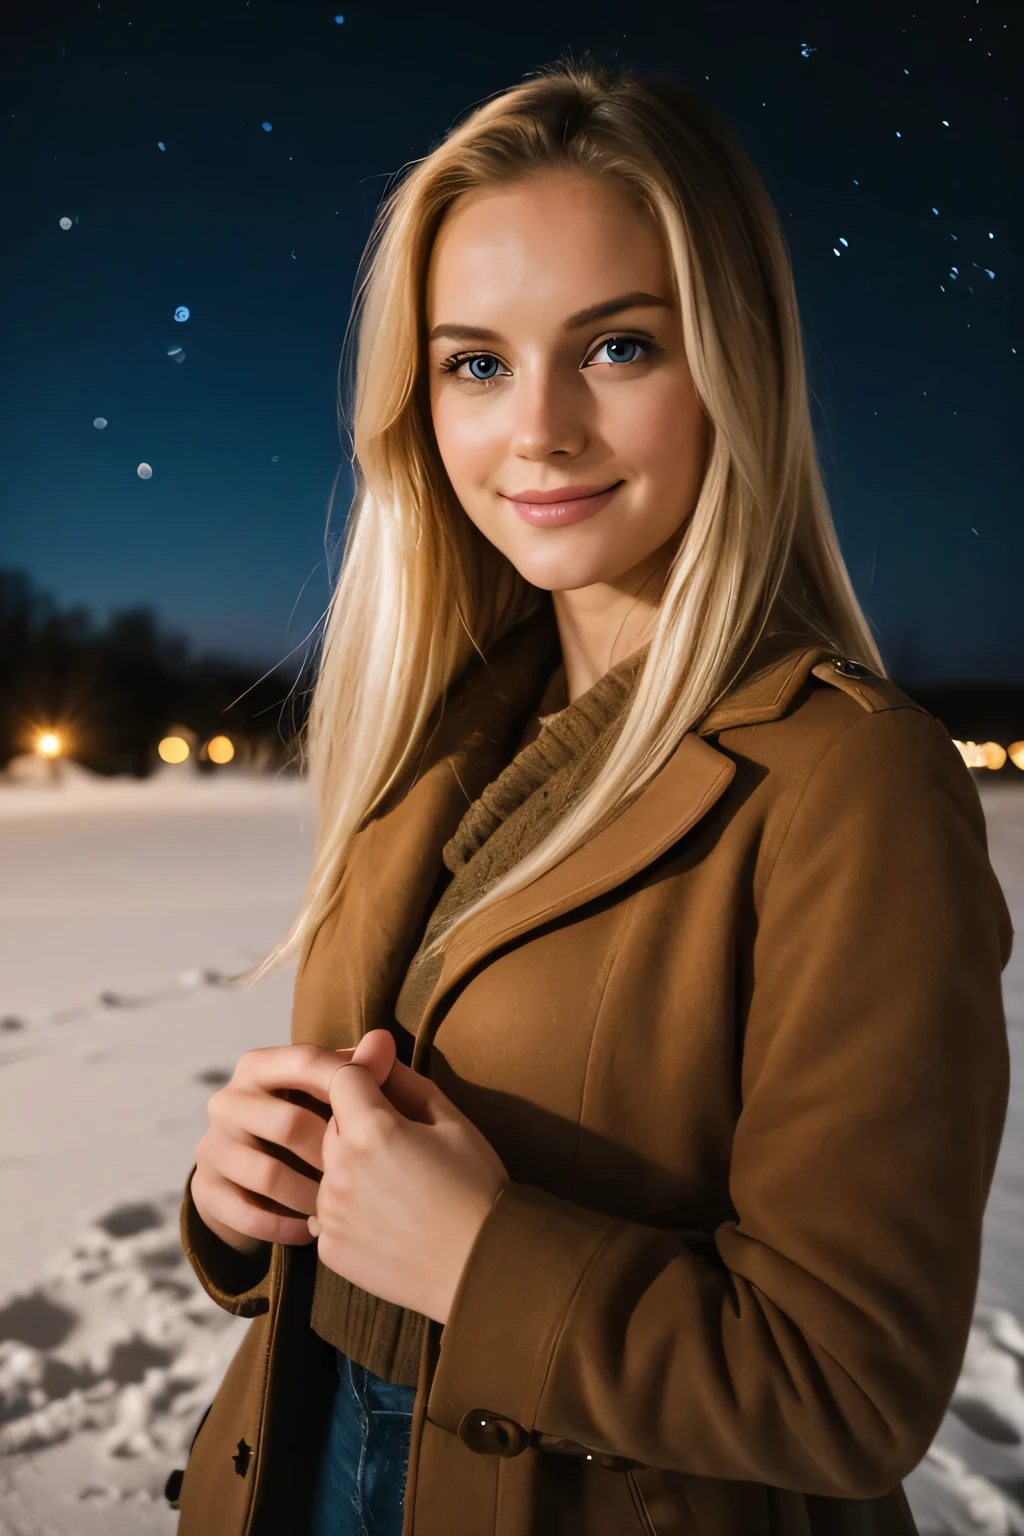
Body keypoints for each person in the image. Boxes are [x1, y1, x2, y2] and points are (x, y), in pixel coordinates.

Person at [166, 56, 1012, 1536]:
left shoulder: (851, 784)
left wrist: (481, 1259)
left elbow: (852, 1387)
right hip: (309, 1466)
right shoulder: (442, 733)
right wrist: (250, 1201)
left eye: (616, 348)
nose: (537, 428)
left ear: (734, 361)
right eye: (475, 363)